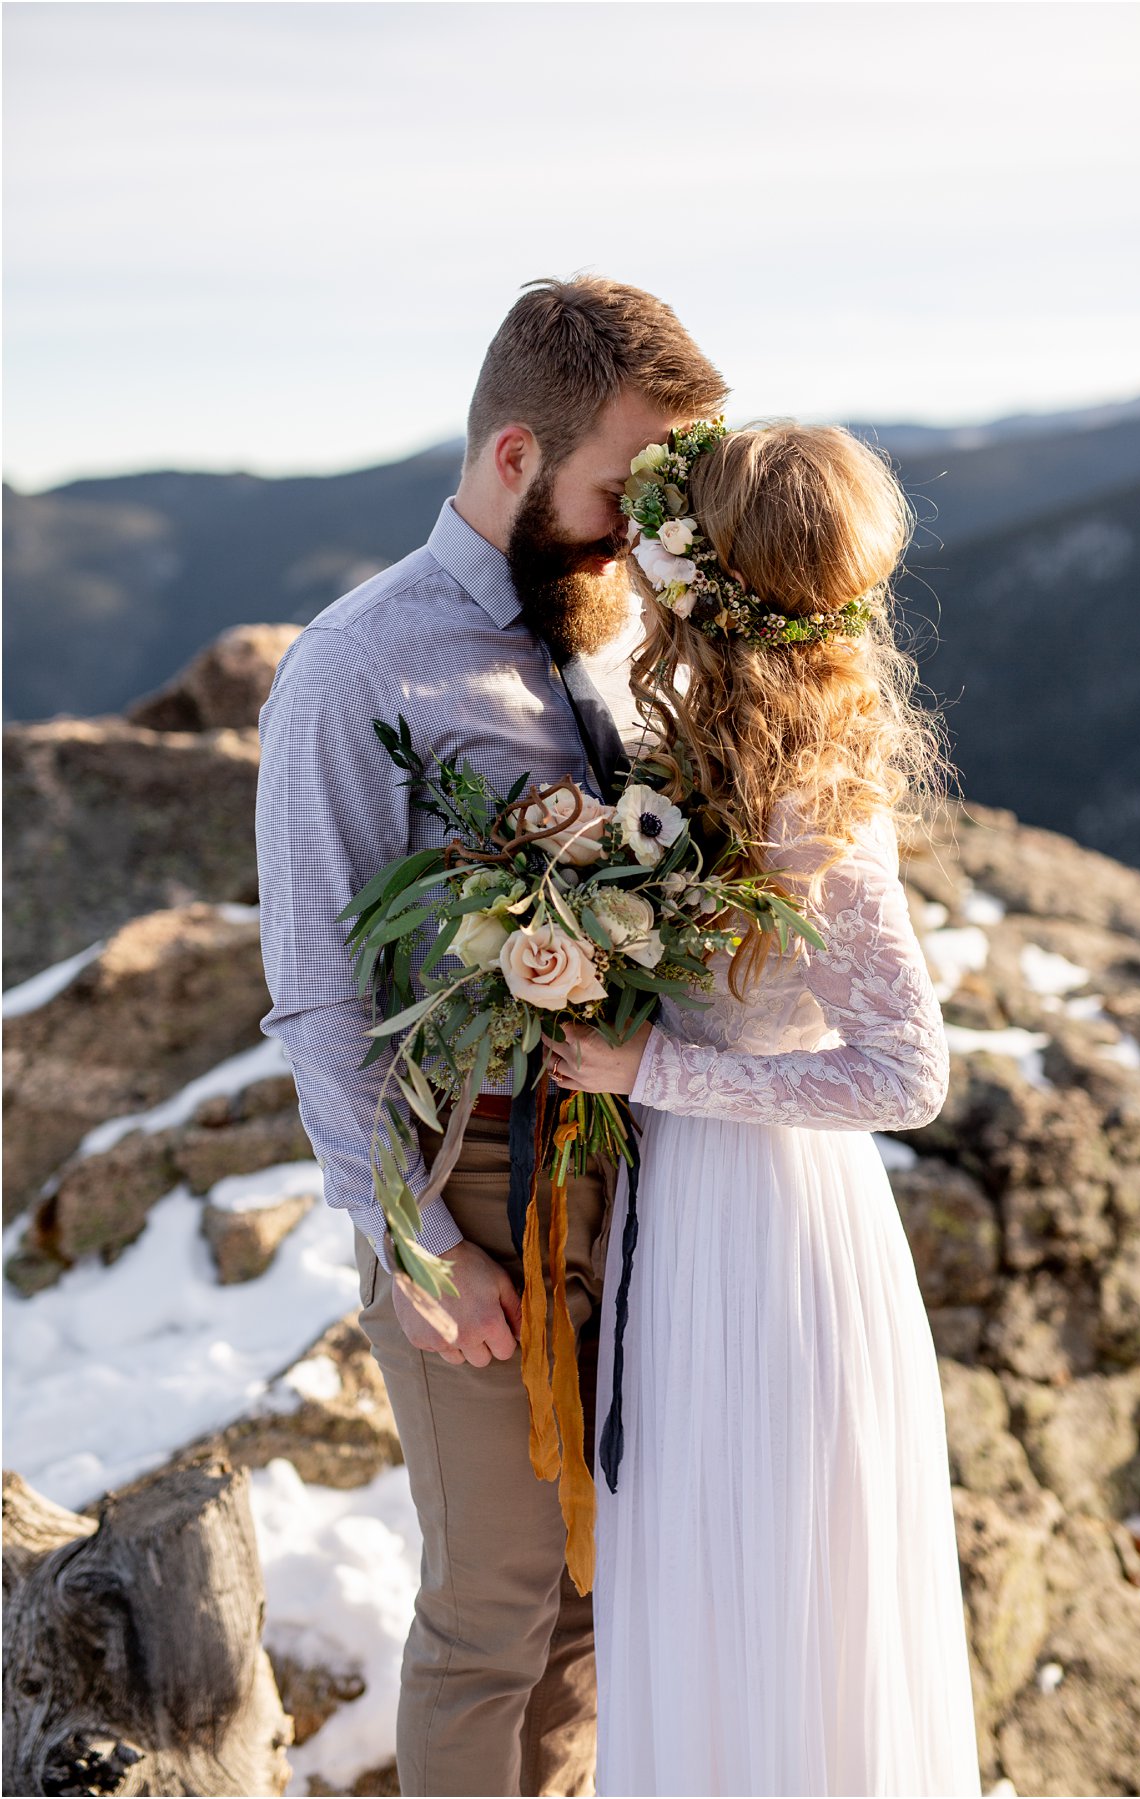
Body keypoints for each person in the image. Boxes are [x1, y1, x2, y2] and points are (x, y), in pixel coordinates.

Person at [258, 275, 726, 1795]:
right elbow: (319, 989)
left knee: (592, 1600)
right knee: (493, 1606)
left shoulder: (607, 638)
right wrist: (412, 1238)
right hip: (468, 1183)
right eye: (619, 486)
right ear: (518, 457)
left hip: (628, 1169)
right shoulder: (353, 667)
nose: (636, 527)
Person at [548, 421, 980, 1795]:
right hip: (688, 1211)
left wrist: (652, 1073)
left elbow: (910, 1072)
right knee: (693, 1575)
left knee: (771, 1584)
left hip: (775, 1223)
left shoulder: (817, 799)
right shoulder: (705, 749)